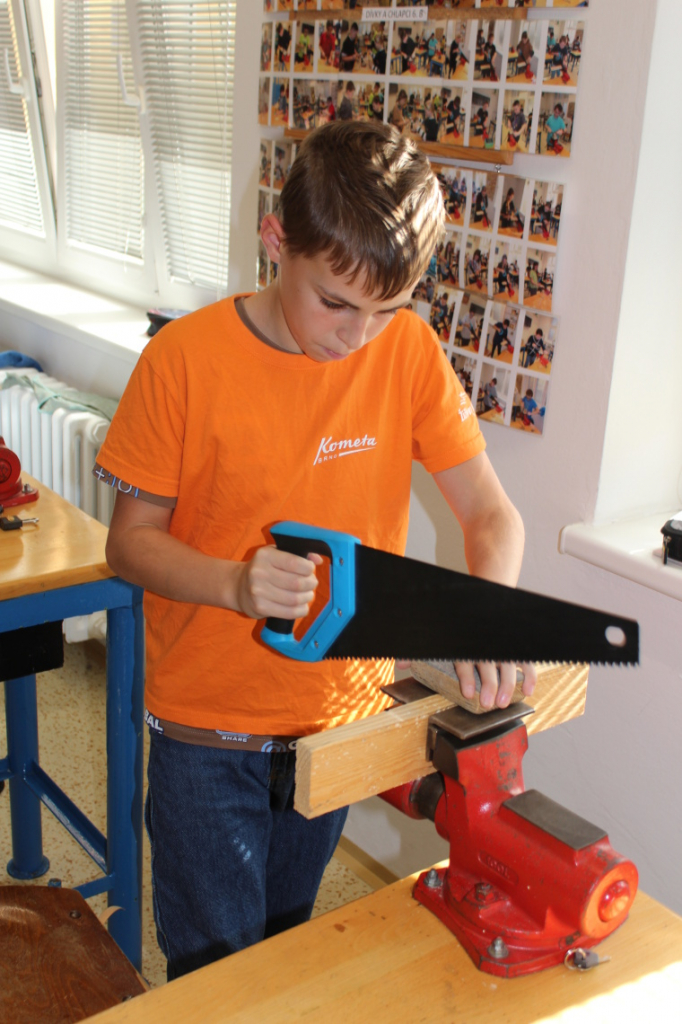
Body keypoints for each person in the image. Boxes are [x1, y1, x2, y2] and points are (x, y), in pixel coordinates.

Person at [96, 121, 534, 982]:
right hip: (207, 733)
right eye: (334, 302)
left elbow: (491, 515)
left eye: (385, 310)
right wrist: (233, 582)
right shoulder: (183, 360)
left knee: (288, 950)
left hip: (338, 722)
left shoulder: (406, 351)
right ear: (276, 240)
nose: (355, 336)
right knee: (218, 975)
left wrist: (492, 611)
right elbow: (129, 545)